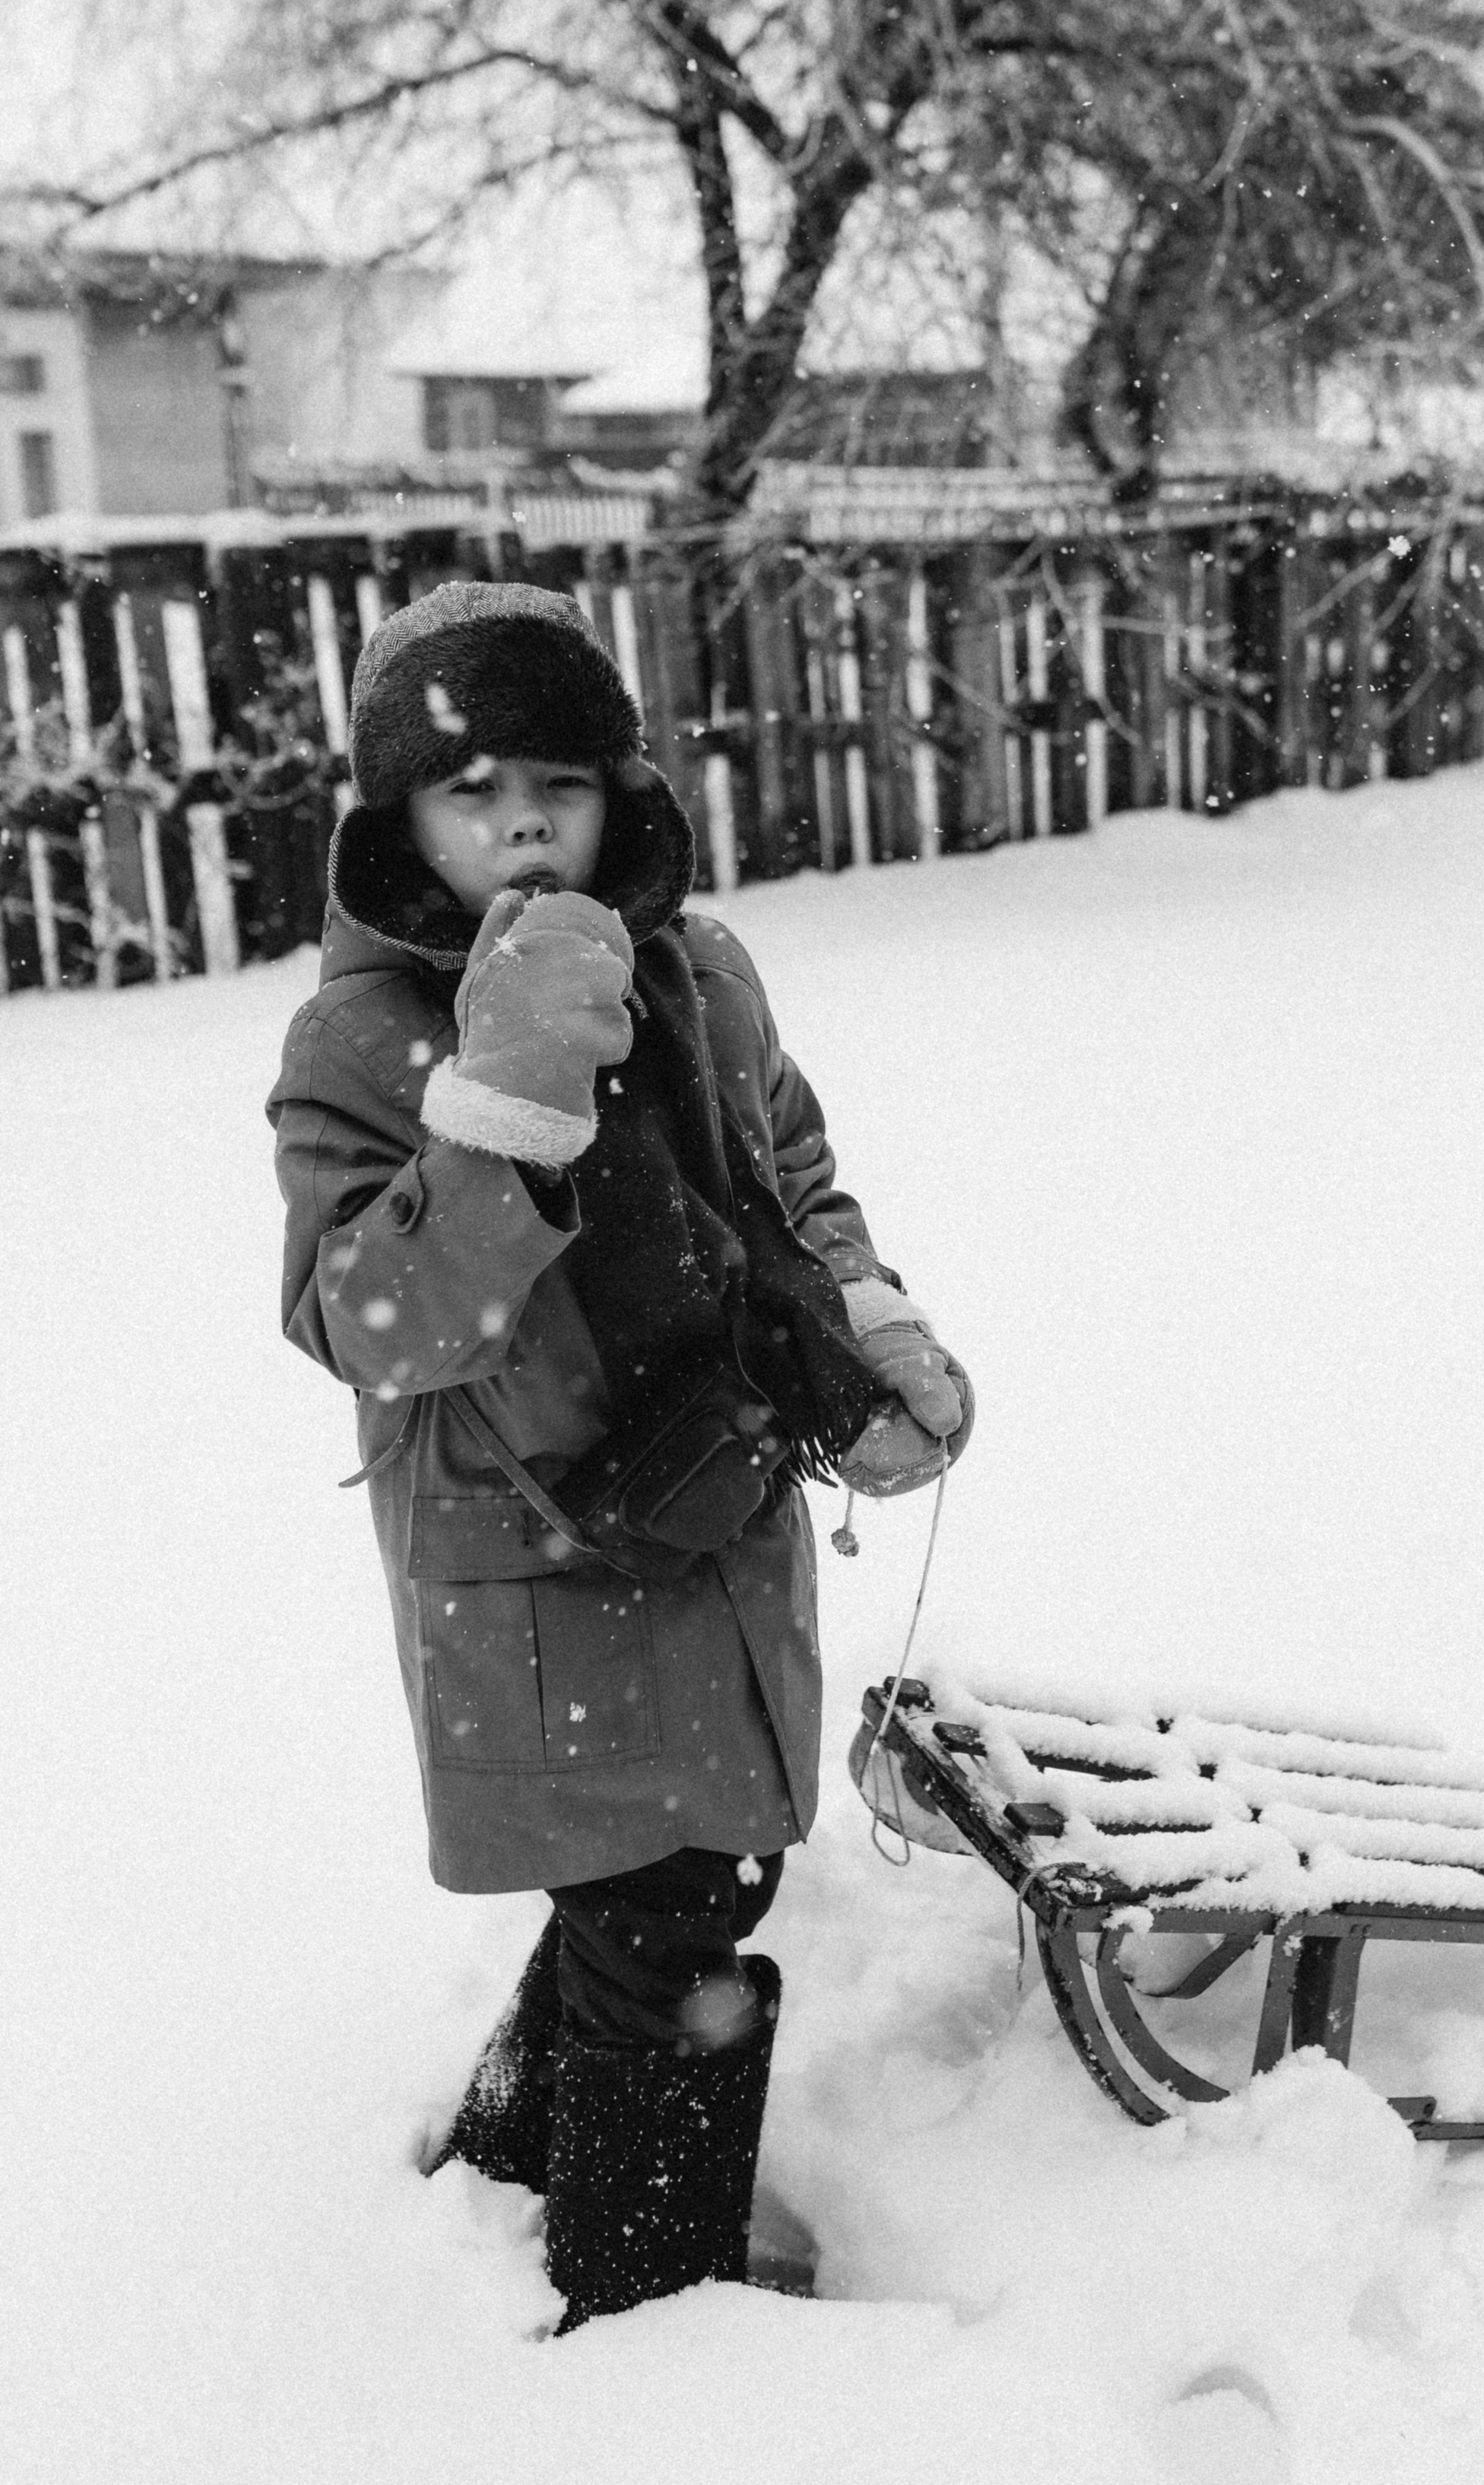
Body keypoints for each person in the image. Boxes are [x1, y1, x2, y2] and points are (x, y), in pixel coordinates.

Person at [266, 579, 972, 2328]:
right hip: (536, 1541)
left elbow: (789, 1173)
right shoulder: (362, 1040)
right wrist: (498, 1110)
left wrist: (863, 1320)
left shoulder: (702, 972)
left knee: (668, 1872)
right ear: (396, 826)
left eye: (560, 782)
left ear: (621, 791)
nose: (521, 819)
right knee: (667, 1915)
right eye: (470, 788)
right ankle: (650, 2311)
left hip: (715, 1501)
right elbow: (366, 1320)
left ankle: (511, 2152)